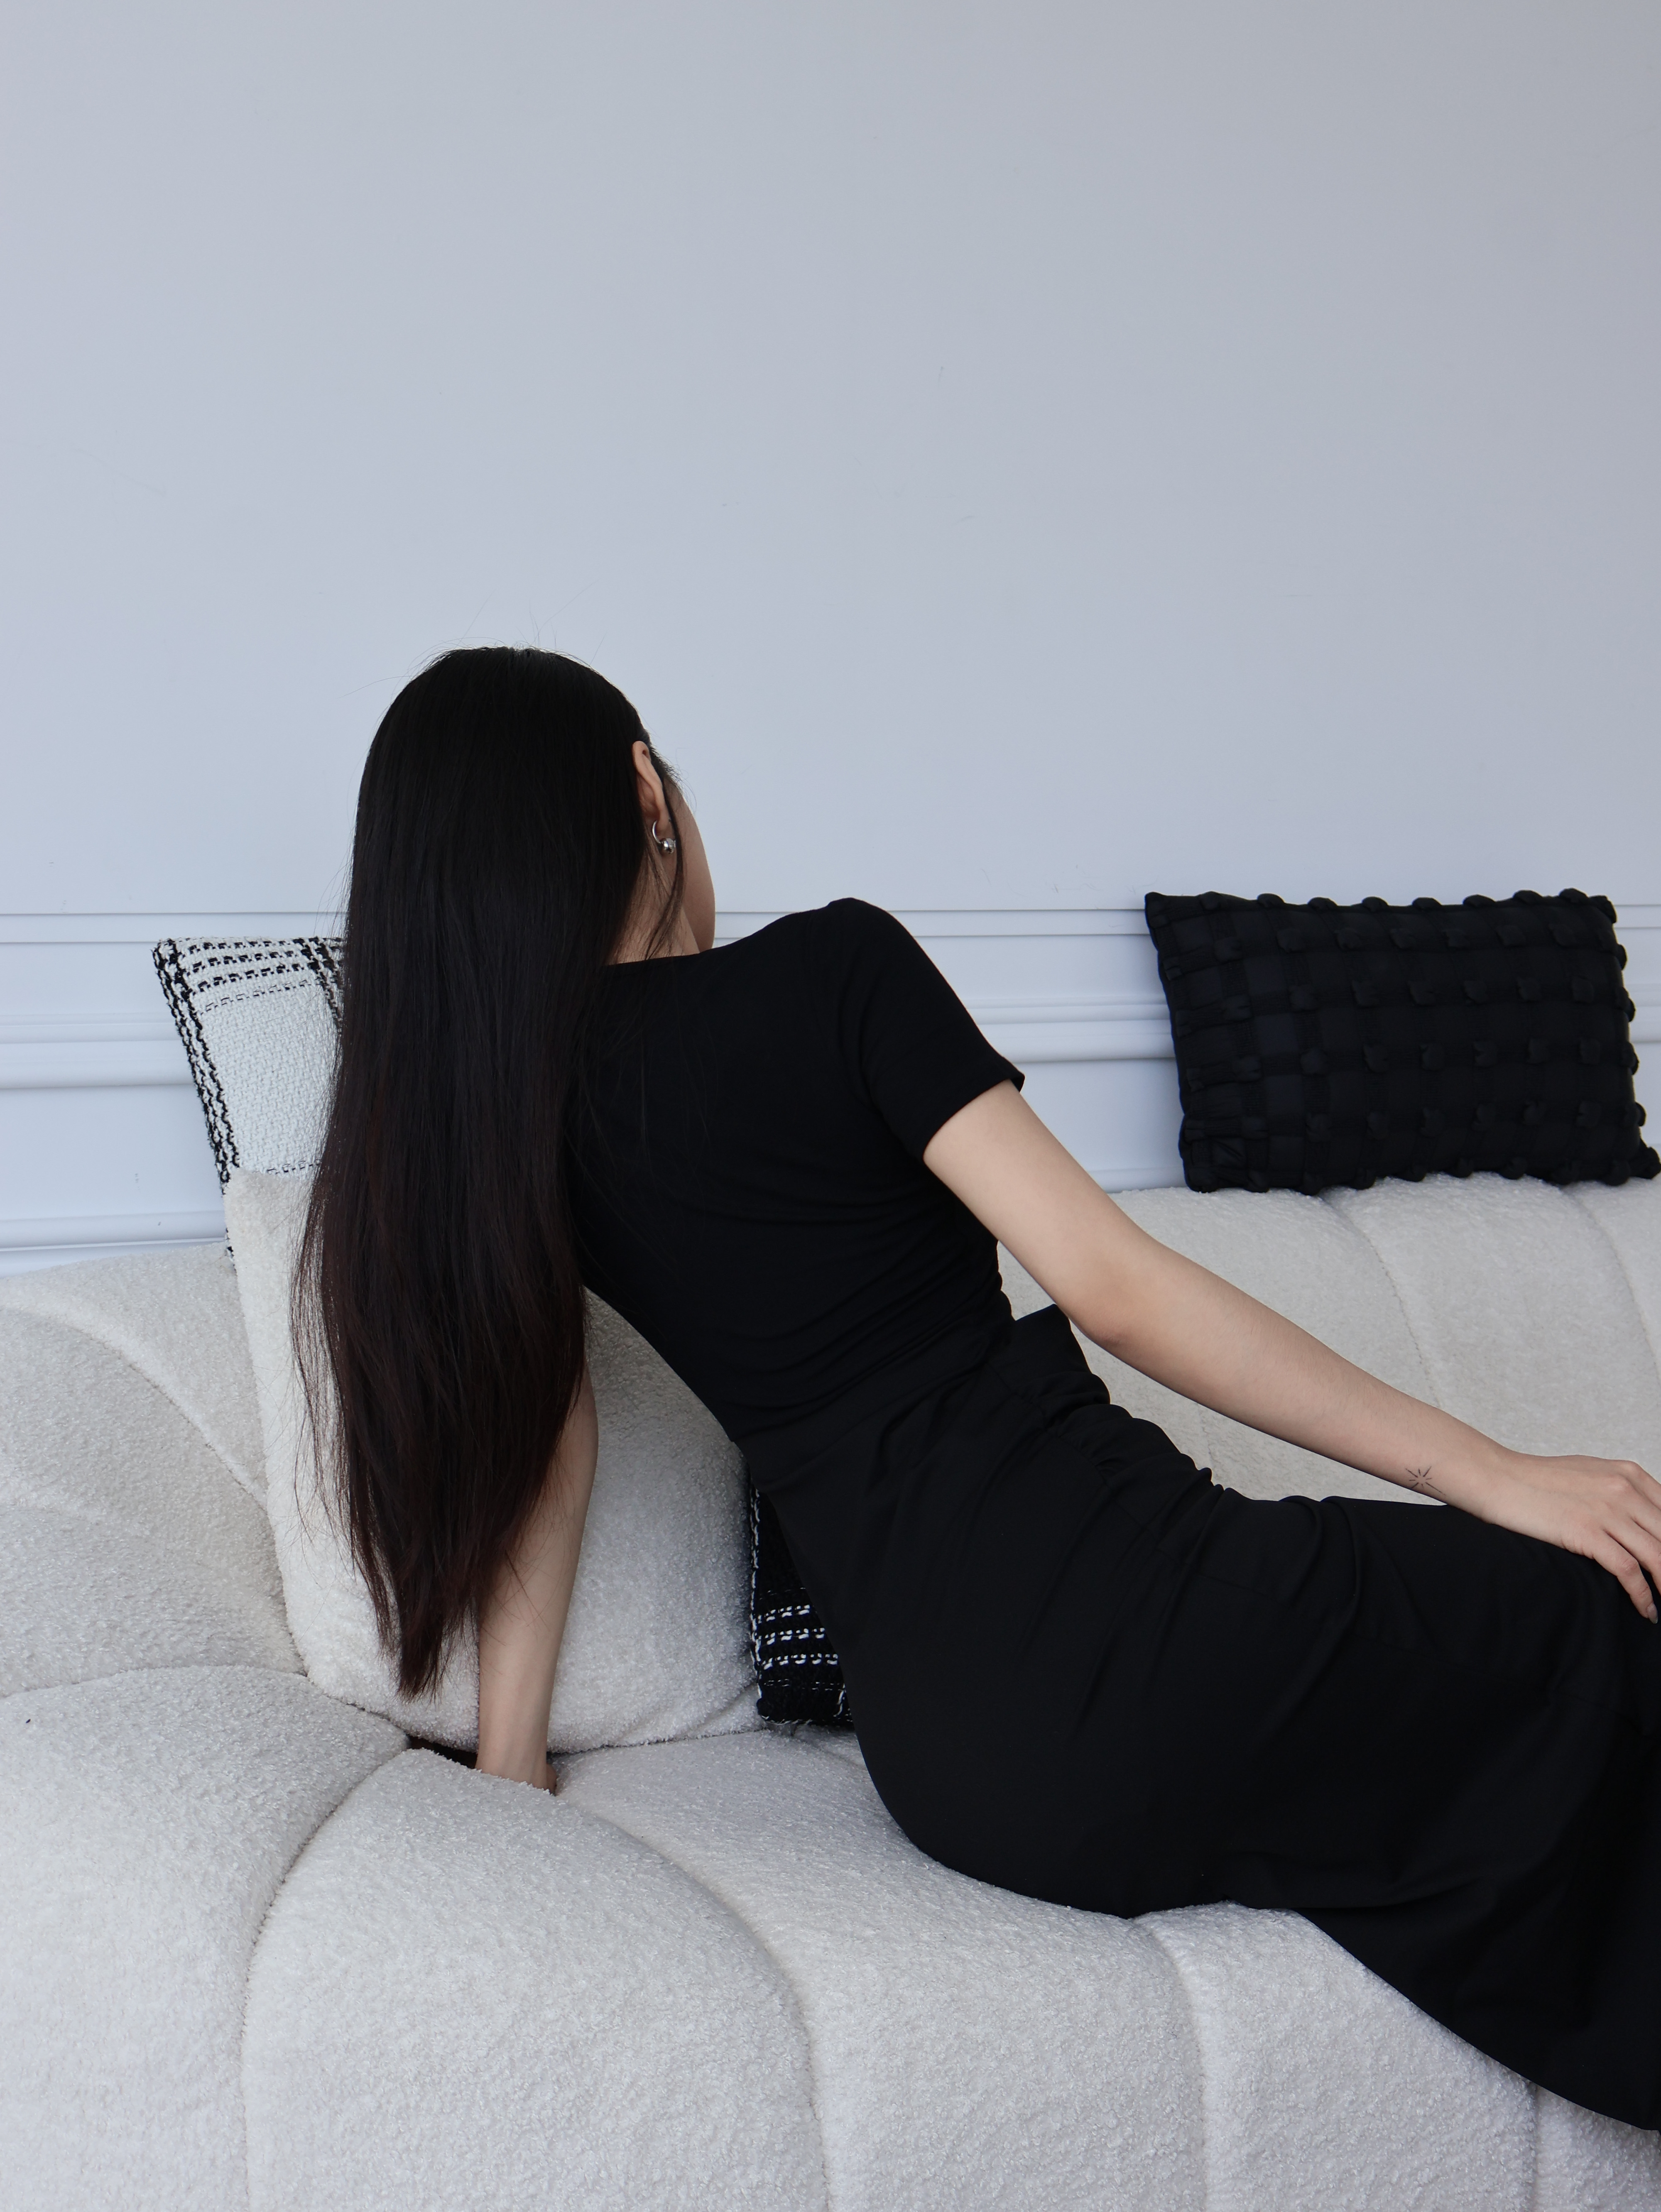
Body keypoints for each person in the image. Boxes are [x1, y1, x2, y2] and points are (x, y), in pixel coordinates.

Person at [300, 646, 1661, 2132]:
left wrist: (511, 1761)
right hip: (1144, 1627)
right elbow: (1118, 1289)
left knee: (1464, 1776)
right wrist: (1491, 1470)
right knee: (1603, 1610)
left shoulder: (516, 1126)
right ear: (645, 791)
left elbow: (548, 1442)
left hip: (966, 1774)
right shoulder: (836, 972)